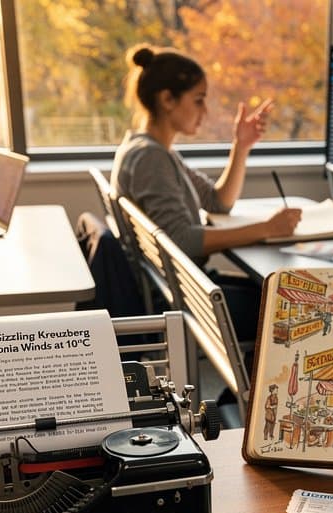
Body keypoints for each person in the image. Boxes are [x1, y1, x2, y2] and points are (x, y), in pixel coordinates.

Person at [111, 45, 302, 341]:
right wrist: (266, 229)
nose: (205, 111)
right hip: (187, 298)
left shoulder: (157, 151)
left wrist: (242, 146)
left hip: (190, 288)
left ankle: (249, 386)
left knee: (280, 298)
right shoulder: (151, 158)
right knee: (293, 310)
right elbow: (183, 241)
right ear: (167, 99)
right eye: (199, 100)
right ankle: (251, 387)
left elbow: (217, 202)